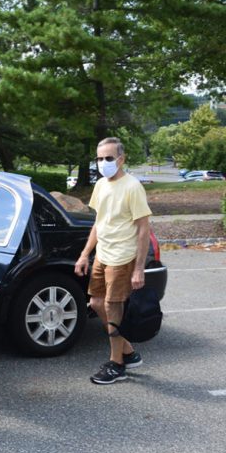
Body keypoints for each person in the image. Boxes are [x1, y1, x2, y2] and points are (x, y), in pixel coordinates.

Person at [75, 137, 152, 385]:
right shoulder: (100, 185)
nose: (103, 162)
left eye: (108, 158)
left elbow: (143, 229)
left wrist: (138, 269)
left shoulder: (132, 187)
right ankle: (128, 351)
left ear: (121, 159)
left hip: (123, 257)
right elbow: (99, 223)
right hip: (103, 255)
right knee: (96, 303)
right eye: (99, 158)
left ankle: (116, 363)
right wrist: (85, 254)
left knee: (112, 307)